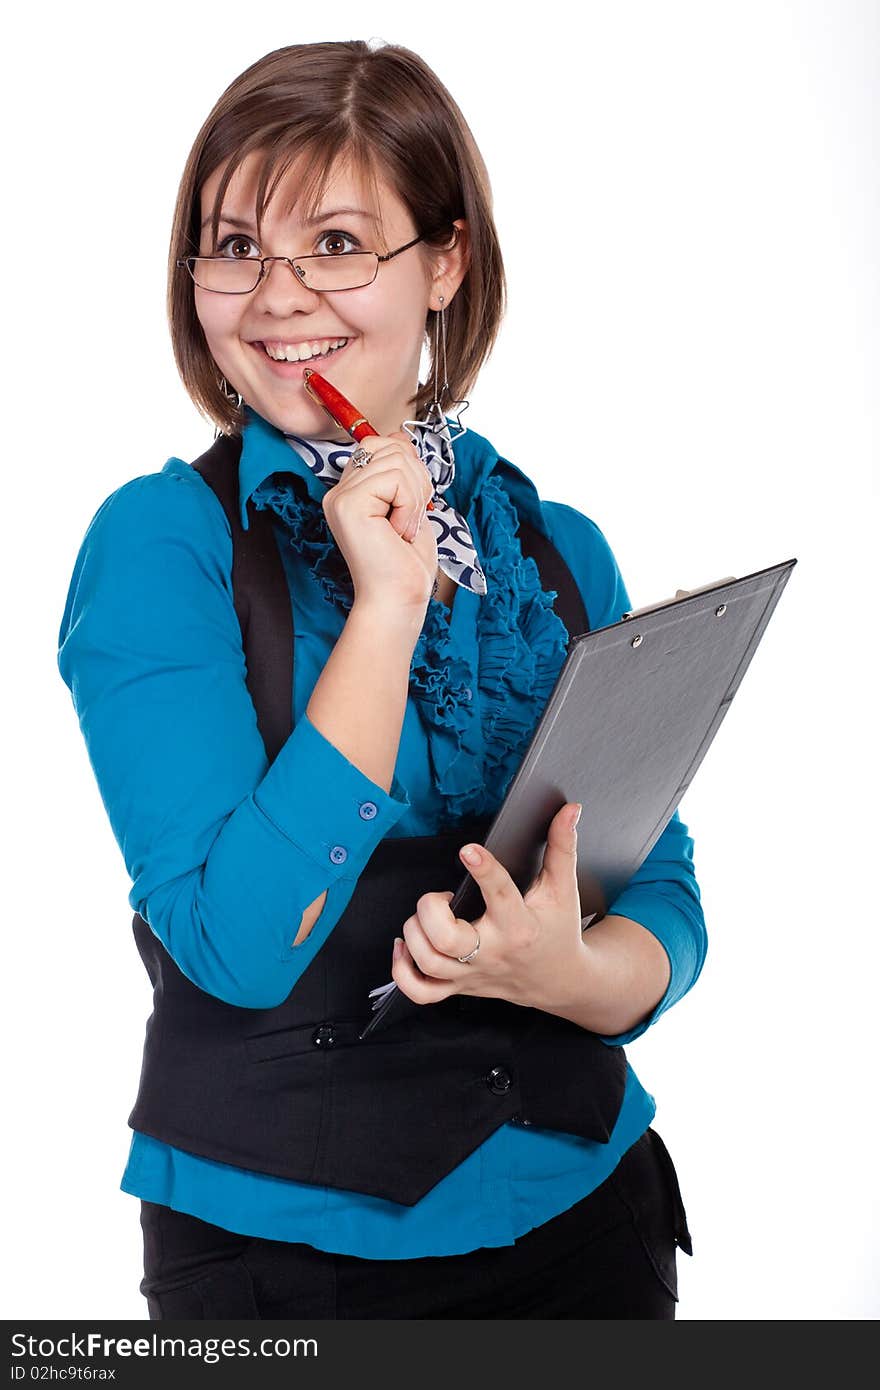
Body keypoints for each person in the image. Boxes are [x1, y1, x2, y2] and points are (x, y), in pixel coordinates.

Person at [57, 39, 706, 1320]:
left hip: (591, 1218)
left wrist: (565, 977)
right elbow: (235, 947)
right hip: (281, 1269)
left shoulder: (556, 550)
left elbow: (662, 888)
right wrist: (386, 608)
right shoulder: (160, 544)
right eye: (233, 245)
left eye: (339, 244)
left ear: (445, 261)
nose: (276, 297)